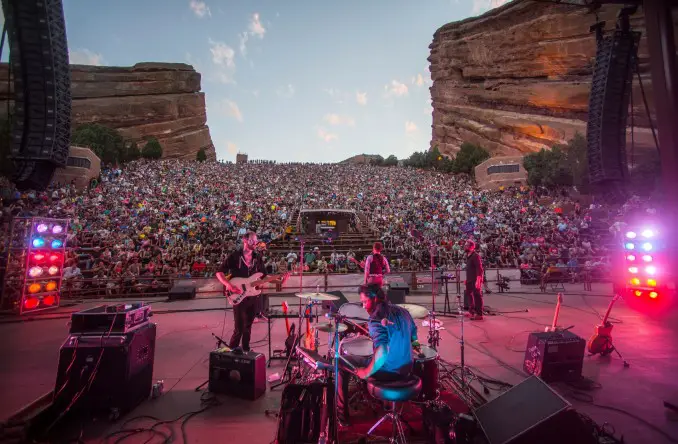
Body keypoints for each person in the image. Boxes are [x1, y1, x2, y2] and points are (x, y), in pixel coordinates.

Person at [337, 284, 419, 425]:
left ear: (374, 300)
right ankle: (387, 405)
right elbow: (414, 339)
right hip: (407, 369)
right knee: (372, 357)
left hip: (389, 372)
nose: (363, 307)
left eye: (364, 302)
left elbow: (381, 352)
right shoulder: (403, 312)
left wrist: (366, 372)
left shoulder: (375, 319)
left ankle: (341, 416)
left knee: (340, 362)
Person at [216, 231, 288, 351]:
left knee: (248, 327)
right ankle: (232, 352)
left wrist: (280, 282)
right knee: (238, 328)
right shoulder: (235, 256)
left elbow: (264, 277)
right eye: (252, 240)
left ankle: (245, 350)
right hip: (238, 295)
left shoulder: (257, 258)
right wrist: (228, 285)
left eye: (256, 241)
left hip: (252, 297)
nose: (255, 243)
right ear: (244, 240)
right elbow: (219, 272)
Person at [464, 240, 484, 320]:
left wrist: (478, 280)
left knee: (477, 296)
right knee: (469, 295)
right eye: (465, 245)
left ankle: (479, 314)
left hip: (475, 280)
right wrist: (467, 279)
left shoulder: (475, 256)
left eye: (467, 245)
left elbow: (479, 269)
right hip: (469, 279)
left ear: (472, 247)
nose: (465, 246)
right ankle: (471, 311)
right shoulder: (468, 256)